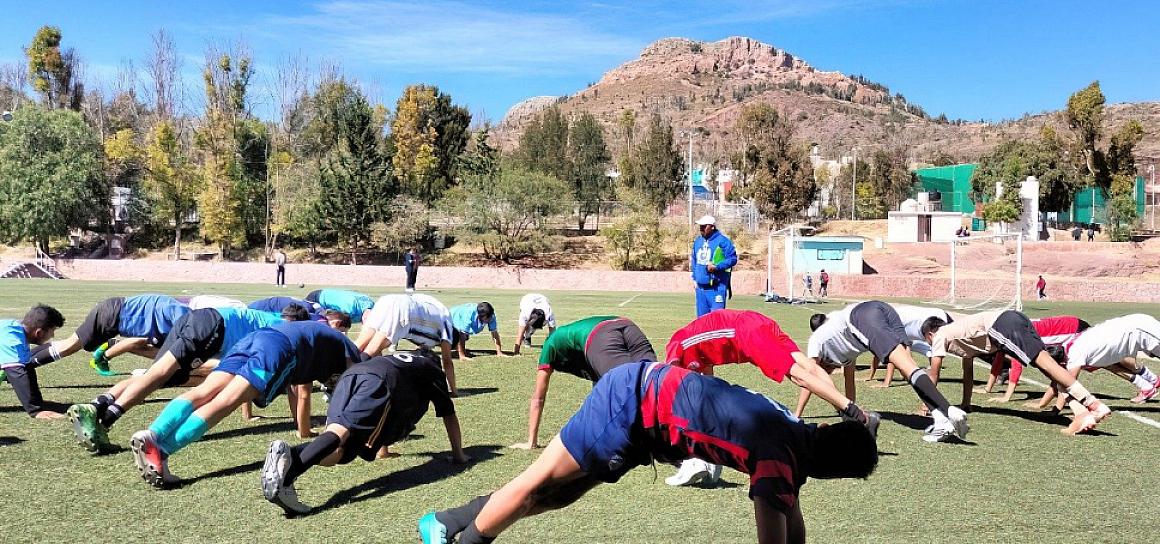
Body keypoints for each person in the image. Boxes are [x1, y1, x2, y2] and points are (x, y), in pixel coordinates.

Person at [418, 361, 879, 544]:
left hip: (645, 414)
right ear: (831, 472)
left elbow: (791, 517)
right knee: (539, 484)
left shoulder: (795, 432)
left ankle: (453, 520)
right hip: (633, 405)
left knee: (560, 494)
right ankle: (465, 538)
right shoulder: (784, 456)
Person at [67, 305, 347, 453]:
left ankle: (100, 405)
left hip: (204, 322)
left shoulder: (274, 317)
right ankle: (105, 417)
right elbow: (292, 384)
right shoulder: (286, 328)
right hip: (213, 328)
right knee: (163, 378)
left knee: (160, 377)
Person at [129, 320, 363, 488]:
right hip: (281, 349)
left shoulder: (329, 342)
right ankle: (163, 449)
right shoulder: (354, 356)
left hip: (257, 338)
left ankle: (154, 433)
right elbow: (353, 387)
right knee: (226, 400)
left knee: (204, 391)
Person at [664, 309, 880, 484]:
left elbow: (673, 385)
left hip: (744, 332)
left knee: (799, 376)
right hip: (756, 321)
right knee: (809, 367)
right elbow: (707, 386)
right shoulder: (689, 350)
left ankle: (858, 416)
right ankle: (852, 415)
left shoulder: (676, 350)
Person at [260, 350, 468, 515]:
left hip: (350, 376)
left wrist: (382, 449)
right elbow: (448, 414)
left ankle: (287, 459)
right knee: (341, 434)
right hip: (378, 381)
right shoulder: (431, 368)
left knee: (343, 451)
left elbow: (390, 410)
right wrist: (458, 455)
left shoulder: (403, 360)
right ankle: (287, 474)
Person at [922, 309, 1112, 435]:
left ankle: (1094, 404)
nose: (930, 345)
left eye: (927, 341)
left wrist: (928, 404)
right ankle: (1081, 413)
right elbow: (968, 370)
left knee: (1045, 363)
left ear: (930, 334)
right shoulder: (957, 335)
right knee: (1046, 368)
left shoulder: (940, 335)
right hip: (1012, 319)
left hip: (1003, 324)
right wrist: (966, 403)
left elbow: (934, 373)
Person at [805, 302, 967, 443]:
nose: (830, 371)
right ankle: (940, 419)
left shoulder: (816, 341)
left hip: (860, 317)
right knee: (909, 367)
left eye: (828, 369)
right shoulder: (840, 343)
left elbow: (810, 378)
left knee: (907, 367)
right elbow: (849, 382)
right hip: (882, 309)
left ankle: (949, 410)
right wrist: (847, 410)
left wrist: (797, 414)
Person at [512, 315, 656, 451]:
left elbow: (538, 398)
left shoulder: (549, 347)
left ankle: (643, 437)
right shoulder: (577, 349)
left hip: (600, 335)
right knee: (654, 379)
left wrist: (531, 441)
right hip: (627, 325)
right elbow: (599, 387)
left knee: (624, 385)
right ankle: (664, 432)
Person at [28, 294, 190, 376]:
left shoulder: (179, 315)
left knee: (70, 343)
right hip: (111, 314)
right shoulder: (180, 318)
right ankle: (18, 366)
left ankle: (21, 362)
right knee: (69, 347)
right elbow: (136, 343)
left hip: (114, 312)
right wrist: (105, 357)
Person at [353, 293, 458, 395]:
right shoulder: (447, 329)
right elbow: (447, 362)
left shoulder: (438, 313)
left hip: (387, 300)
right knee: (369, 352)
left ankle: (340, 373)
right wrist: (454, 391)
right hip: (403, 310)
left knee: (357, 347)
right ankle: (349, 381)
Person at [1050, 314, 1160, 409]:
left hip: (1141, 329)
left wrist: (1055, 410)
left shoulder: (1074, 357)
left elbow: (1068, 384)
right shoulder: (1069, 345)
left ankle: (1150, 383)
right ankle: (1149, 384)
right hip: (1134, 326)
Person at [978, 315, 1089, 404]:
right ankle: (1053, 401)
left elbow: (1016, 365)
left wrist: (1007, 397)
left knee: (1067, 369)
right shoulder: (1003, 330)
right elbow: (999, 358)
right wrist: (988, 388)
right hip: (1071, 324)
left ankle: (1066, 404)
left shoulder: (1011, 333)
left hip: (1075, 329)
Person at [1, 305, 67, 419]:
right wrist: (35, 411)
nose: (52, 335)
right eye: (52, 331)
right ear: (39, 332)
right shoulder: (13, 341)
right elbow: (18, 373)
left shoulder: (13, 328)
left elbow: (26, 369)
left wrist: (38, 403)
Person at [691, 215, 737, 317]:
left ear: (712, 227)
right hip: (701, 290)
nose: (701, 228)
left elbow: (732, 259)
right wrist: (694, 279)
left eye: (704, 226)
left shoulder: (723, 241)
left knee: (716, 322)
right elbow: (694, 260)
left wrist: (717, 267)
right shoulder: (698, 241)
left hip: (717, 288)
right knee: (702, 323)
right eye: (700, 226)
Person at [304, 288, 376, 324]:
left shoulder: (372, 306)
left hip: (323, 300)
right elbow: (338, 325)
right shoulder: (350, 308)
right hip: (317, 299)